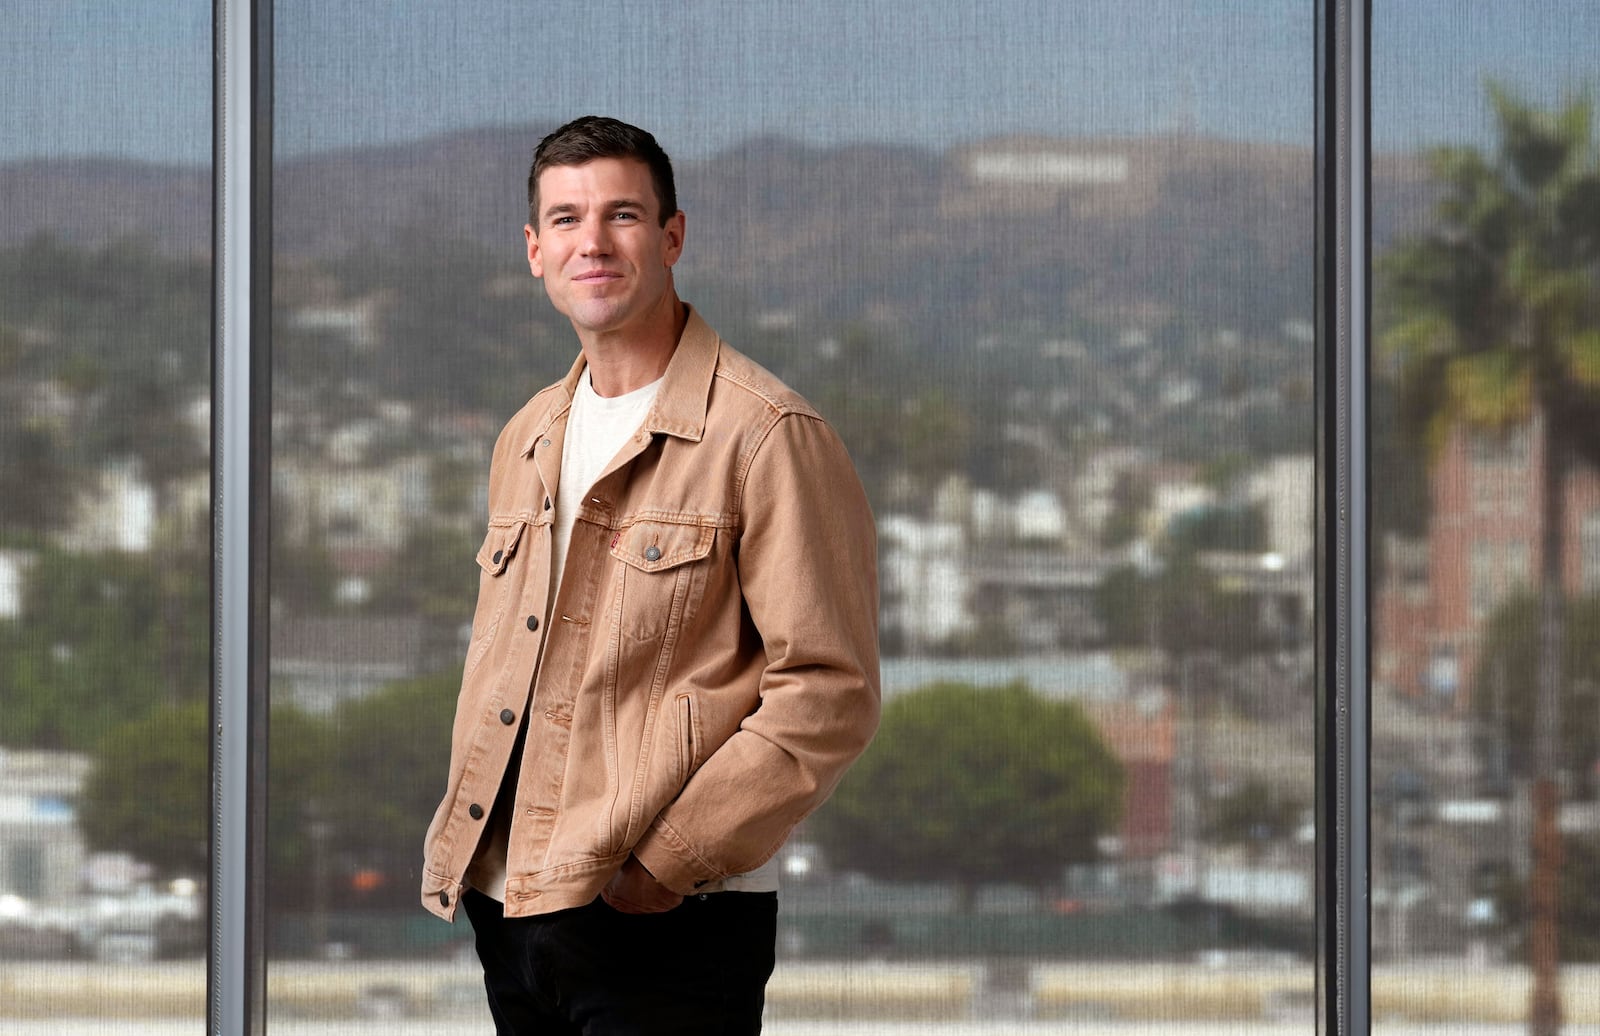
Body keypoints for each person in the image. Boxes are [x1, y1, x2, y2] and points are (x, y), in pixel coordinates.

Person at [420, 115, 881, 1034]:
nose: (591, 242)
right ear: (533, 250)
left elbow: (828, 691)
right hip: (513, 907)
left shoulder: (765, 434)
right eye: (565, 220)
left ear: (671, 236)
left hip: (666, 920)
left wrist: (666, 861)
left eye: (622, 215)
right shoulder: (528, 436)